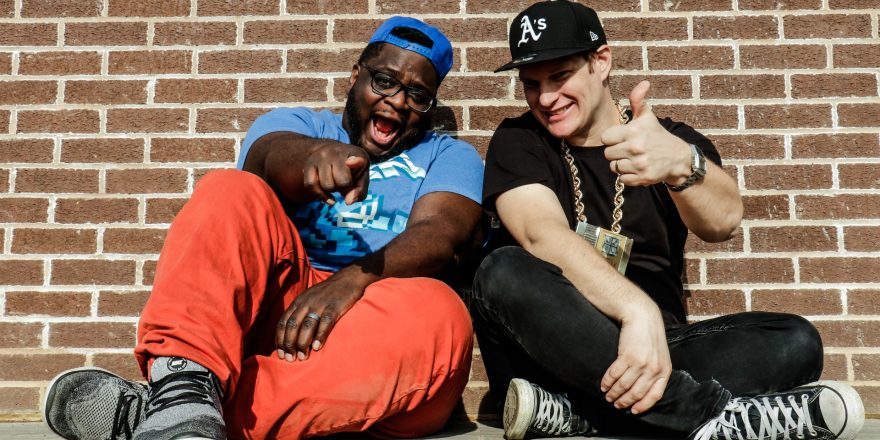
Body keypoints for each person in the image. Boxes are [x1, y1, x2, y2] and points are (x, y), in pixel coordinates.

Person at [42, 16, 484, 440]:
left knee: (441, 314)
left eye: (418, 94)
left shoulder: (449, 155)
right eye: (384, 81)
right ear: (355, 76)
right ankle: (185, 384)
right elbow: (266, 158)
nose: (398, 101)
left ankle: (167, 412)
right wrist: (314, 156)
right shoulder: (302, 125)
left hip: (377, 333)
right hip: (283, 314)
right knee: (228, 189)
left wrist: (351, 281)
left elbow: (443, 235)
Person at [468, 1, 865, 440]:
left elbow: (723, 223)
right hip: (548, 355)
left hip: (659, 351)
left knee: (796, 339)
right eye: (531, 84)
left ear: (601, 61)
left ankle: (579, 414)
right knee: (502, 271)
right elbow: (540, 234)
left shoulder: (667, 142)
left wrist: (682, 166)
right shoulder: (519, 139)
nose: (545, 98)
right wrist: (636, 311)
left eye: (560, 76)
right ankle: (702, 416)